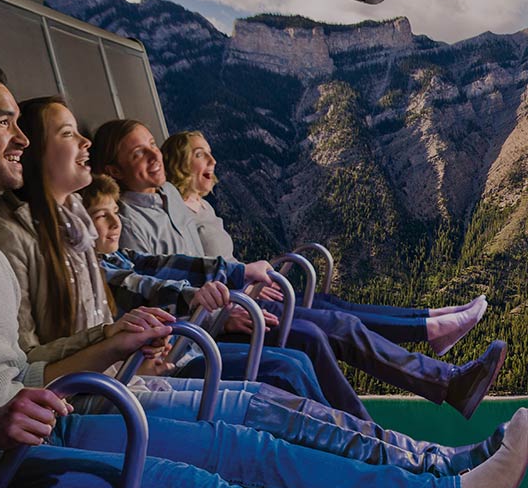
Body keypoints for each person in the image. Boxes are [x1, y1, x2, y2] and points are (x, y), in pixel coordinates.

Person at [0, 53, 527, 488]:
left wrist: (112, 342)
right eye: (2, 121)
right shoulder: (7, 239)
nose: (19, 134)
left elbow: (21, 367)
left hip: (47, 423)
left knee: (253, 433)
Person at [0, 95, 503, 476]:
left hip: (171, 340)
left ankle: (403, 423)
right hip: (173, 347)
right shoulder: (56, 229)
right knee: (308, 346)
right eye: (68, 133)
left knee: (327, 314)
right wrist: (202, 307)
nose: (155, 160)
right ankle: (393, 449)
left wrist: (236, 277)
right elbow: (138, 279)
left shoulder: (101, 216)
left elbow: (157, 264)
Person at [90, 118, 506, 420]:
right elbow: (155, 288)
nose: (153, 155)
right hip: (200, 331)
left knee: (333, 323)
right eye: (137, 152)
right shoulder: (125, 222)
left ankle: (421, 382)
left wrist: (243, 276)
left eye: (152, 145)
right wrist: (229, 302)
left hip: (229, 306)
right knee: (325, 331)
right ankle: (384, 425)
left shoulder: (167, 196)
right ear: (112, 171)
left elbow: (197, 259)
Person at [162, 129, 487, 354]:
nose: (213, 162)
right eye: (200, 155)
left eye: (211, 154)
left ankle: (430, 318)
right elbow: (195, 272)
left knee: (338, 306)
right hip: (236, 307)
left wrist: (251, 281)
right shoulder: (175, 211)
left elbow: (222, 265)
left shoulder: (203, 205)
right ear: (179, 162)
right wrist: (244, 290)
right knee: (338, 319)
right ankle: (428, 329)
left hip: (248, 293)